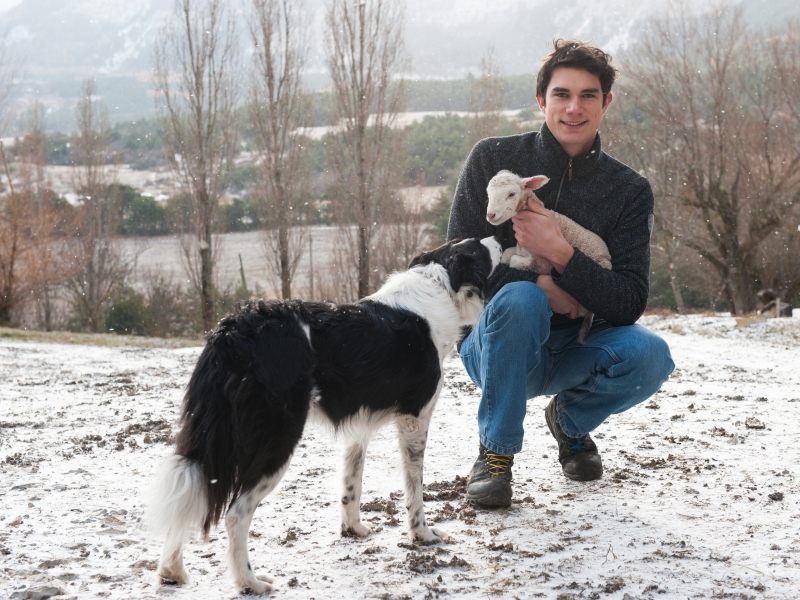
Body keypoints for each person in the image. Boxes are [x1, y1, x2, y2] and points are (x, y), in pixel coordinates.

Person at [447, 39, 675, 507]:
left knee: (651, 355)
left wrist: (563, 256)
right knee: (522, 300)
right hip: (495, 345)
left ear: (606, 102)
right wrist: (544, 286)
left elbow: (629, 301)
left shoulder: (629, 190)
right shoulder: (491, 160)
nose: (574, 108)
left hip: (579, 347)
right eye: (562, 94)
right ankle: (495, 454)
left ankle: (569, 421)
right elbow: (458, 268)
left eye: (588, 95)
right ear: (541, 100)